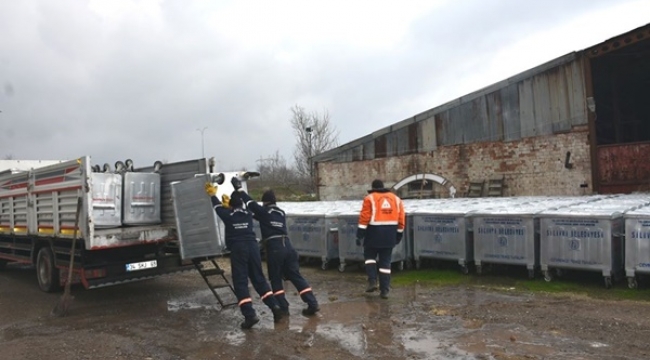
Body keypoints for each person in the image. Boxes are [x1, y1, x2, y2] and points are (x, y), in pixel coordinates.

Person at [230, 177, 320, 317]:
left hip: (275, 247)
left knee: (275, 278)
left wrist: (239, 189)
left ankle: (283, 307)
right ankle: (312, 303)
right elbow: (260, 217)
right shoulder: (281, 213)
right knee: (295, 276)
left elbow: (250, 203)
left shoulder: (264, 212)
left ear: (265, 202)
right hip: (288, 247)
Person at [204, 182, 285, 329]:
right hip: (253, 247)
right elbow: (247, 208)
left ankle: (250, 315)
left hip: (238, 249)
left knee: (241, 282)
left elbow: (216, 206)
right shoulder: (248, 214)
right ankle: (275, 307)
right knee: (259, 279)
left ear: (230, 205)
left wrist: (212, 194)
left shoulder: (227, 214)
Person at [356, 179, 405, 299]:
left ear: (373, 188)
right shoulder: (396, 199)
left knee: (369, 258)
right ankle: (385, 291)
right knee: (385, 263)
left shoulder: (370, 198)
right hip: (390, 234)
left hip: (373, 233)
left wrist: (359, 234)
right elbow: (401, 219)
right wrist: (398, 235)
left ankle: (372, 281)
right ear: (383, 187)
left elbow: (364, 217)